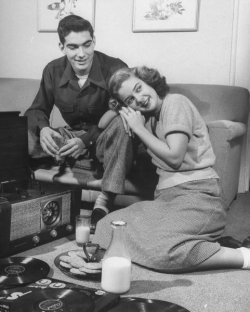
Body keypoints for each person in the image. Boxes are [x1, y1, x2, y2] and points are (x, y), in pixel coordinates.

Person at [91, 66, 250, 273]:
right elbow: (103, 126)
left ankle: (242, 256)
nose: (139, 98)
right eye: (130, 99)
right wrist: (122, 114)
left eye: (139, 88)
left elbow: (175, 157)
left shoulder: (175, 103)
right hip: (166, 201)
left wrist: (137, 128)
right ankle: (196, 241)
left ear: (149, 82)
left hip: (199, 197)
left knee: (162, 252)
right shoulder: (146, 118)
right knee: (106, 228)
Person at [24, 15, 133, 230]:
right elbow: (36, 109)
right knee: (20, 134)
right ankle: (27, 196)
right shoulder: (52, 70)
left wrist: (86, 141)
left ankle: (103, 202)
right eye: (73, 47)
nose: (81, 54)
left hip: (105, 139)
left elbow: (124, 109)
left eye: (87, 45)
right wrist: (45, 129)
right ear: (61, 46)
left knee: (122, 125)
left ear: (94, 41)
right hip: (70, 137)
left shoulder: (115, 67)